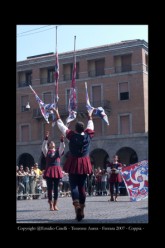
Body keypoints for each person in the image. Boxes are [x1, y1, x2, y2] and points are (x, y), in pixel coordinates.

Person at [52, 108, 94, 221]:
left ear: (75, 129)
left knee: (74, 185)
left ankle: (77, 205)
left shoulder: (71, 135)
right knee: (82, 186)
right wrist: (90, 116)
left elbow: (61, 126)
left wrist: (57, 114)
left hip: (74, 162)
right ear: (83, 129)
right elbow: (91, 125)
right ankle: (82, 208)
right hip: (84, 162)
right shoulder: (88, 135)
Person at [42, 131, 65, 211]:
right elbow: (43, 147)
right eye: (50, 143)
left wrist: (62, 140)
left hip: (56, 170)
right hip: (49, 170)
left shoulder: (58, 151)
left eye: (53, 142)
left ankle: (55, 204)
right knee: (49, 188)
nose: (52, 143)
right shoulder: (47, 152)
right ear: (49, 145)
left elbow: (62, 147)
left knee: (56, 188)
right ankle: (50, 204)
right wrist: (46, 138)